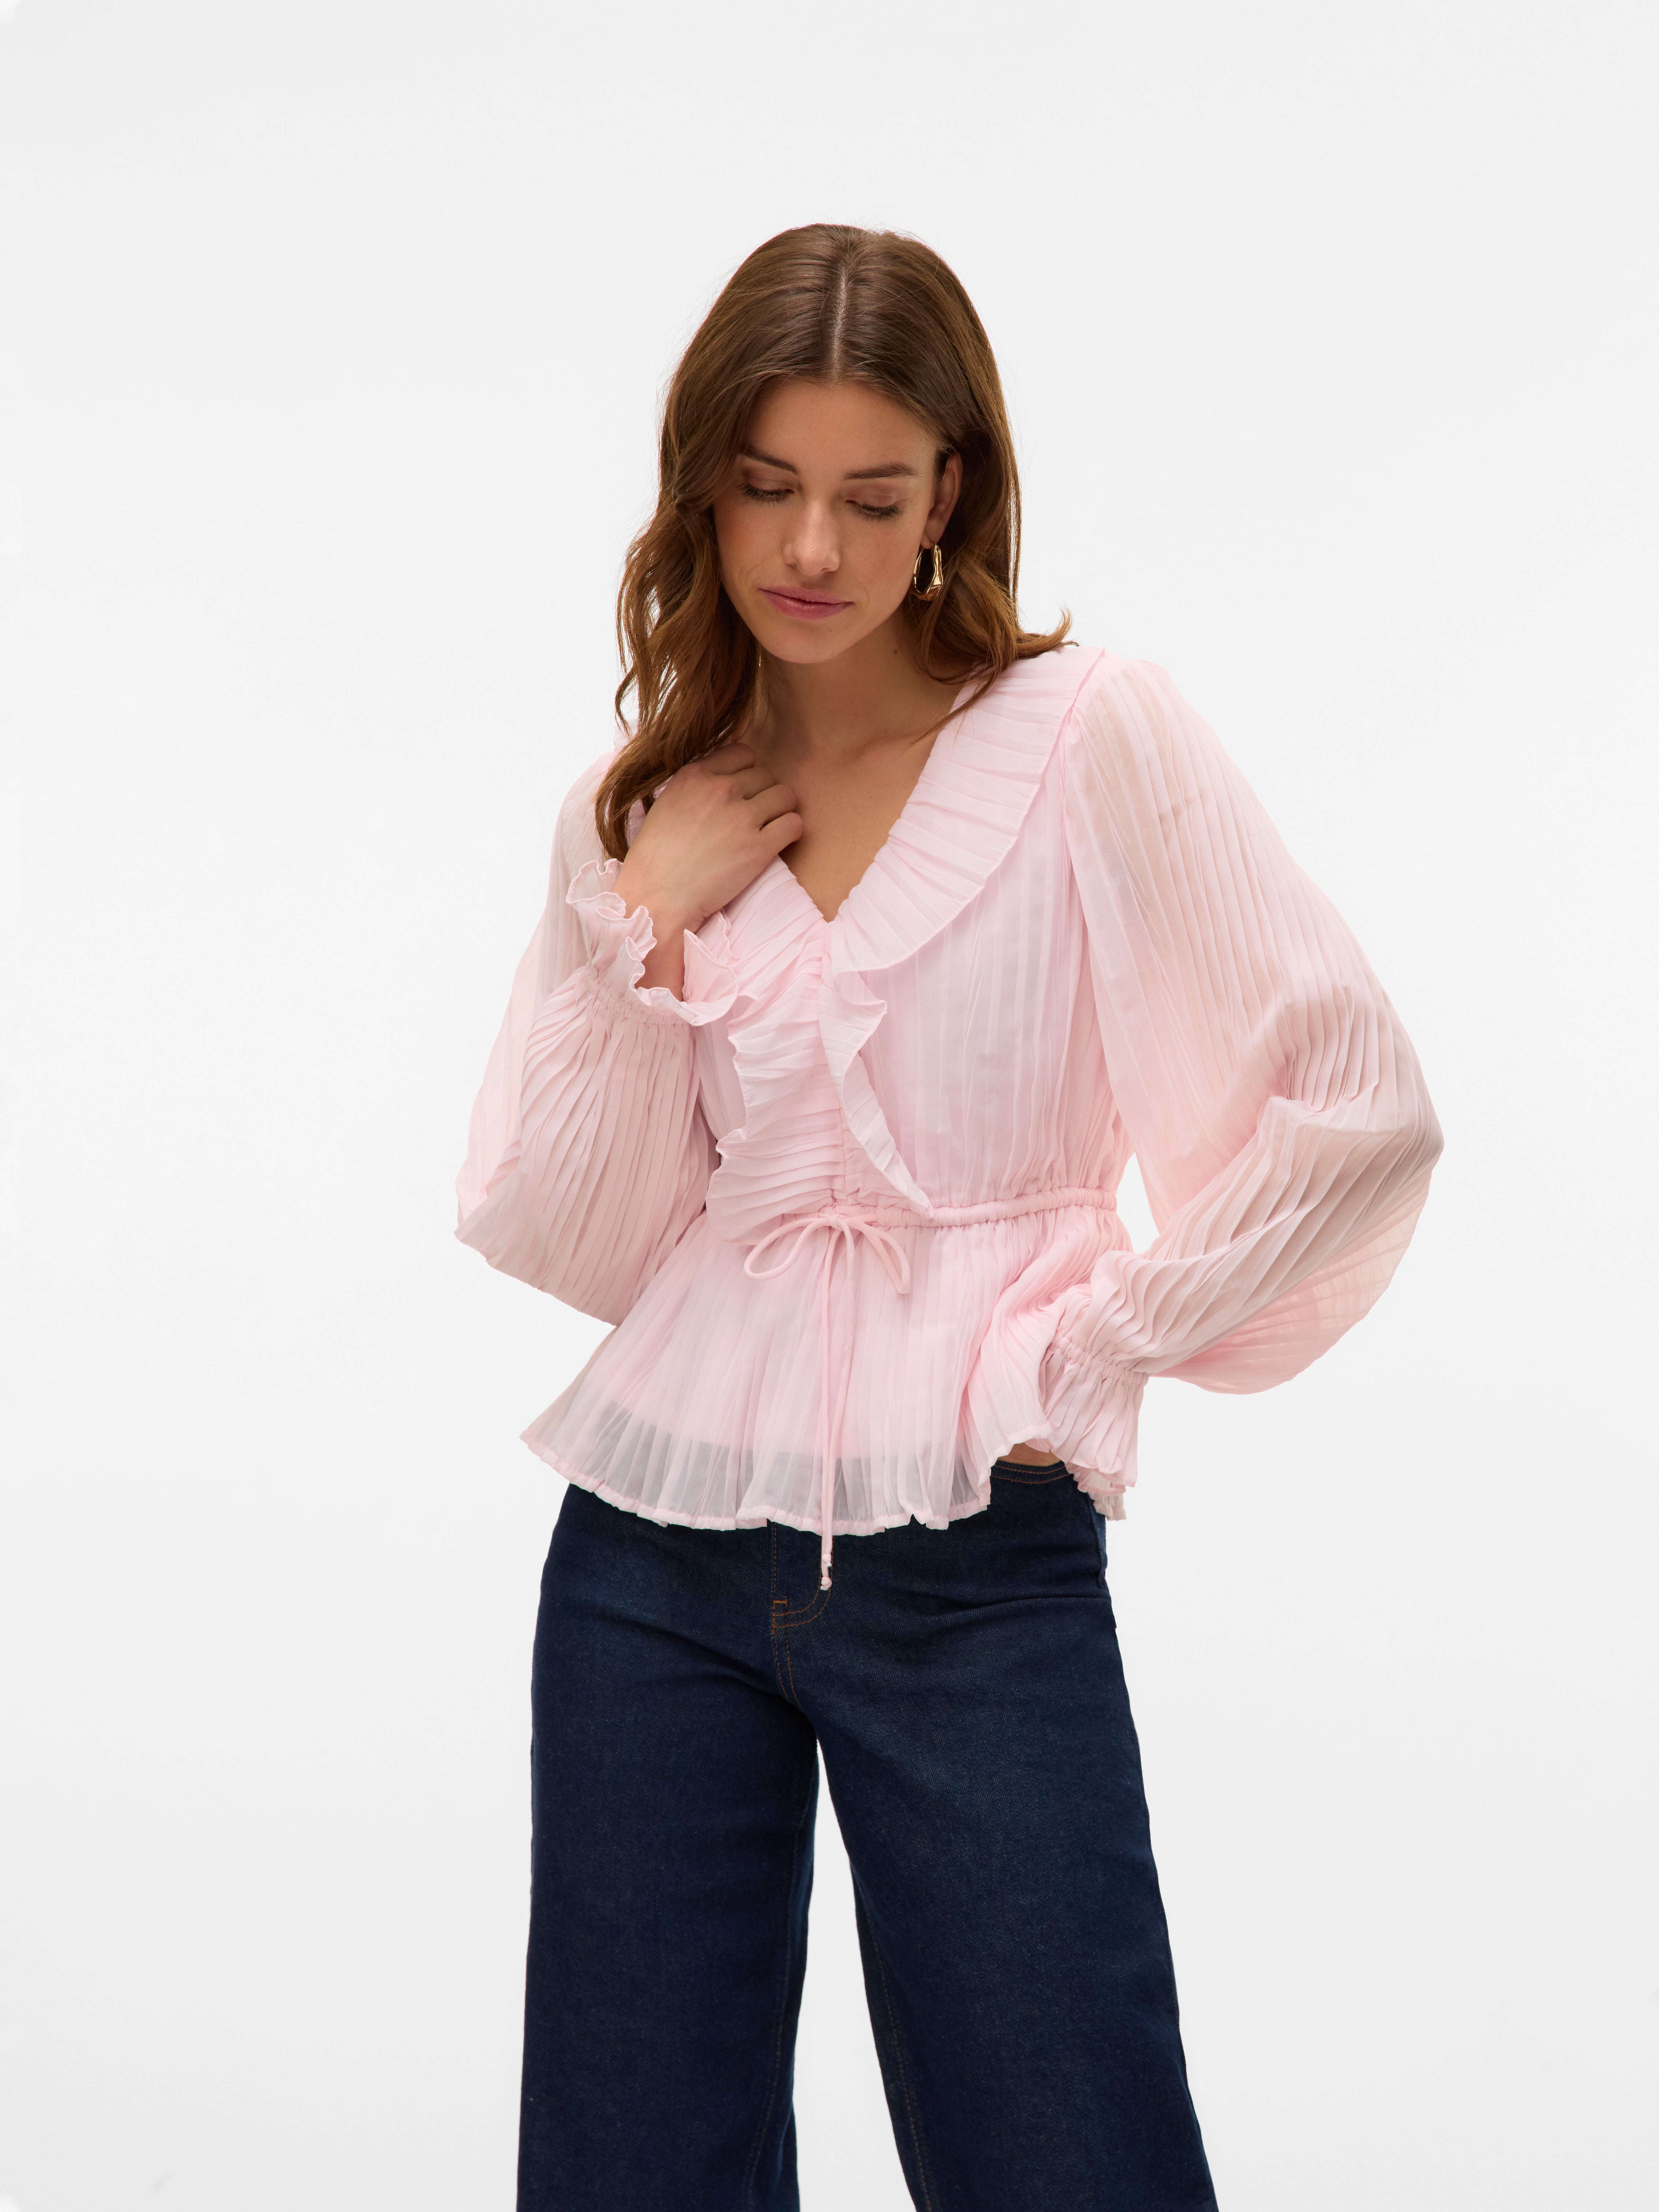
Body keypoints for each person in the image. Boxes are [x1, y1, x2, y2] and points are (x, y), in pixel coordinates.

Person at [455, 223, 1442, 2212]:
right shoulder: (639, 809)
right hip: (648, 1567)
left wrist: (1090, 1347)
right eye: (765, 487)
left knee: (1069, 2153)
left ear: (951, 495)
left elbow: (1359, 1105)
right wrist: (635, 919)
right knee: (630, 2173)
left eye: (871, 493)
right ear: (701, 489)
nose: (811, 545)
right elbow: (575, 1230)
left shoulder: (1089, 738)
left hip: (976, 1553)